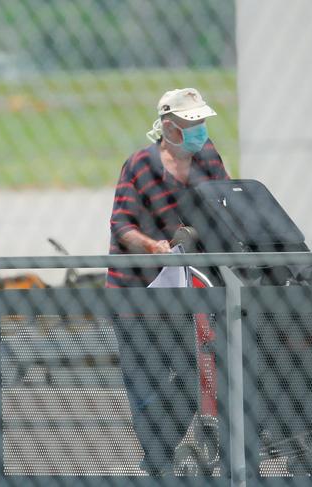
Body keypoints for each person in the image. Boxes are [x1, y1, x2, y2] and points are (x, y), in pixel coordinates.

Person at [106, 88, 230, 475]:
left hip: (189, 288)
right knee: (145, 380)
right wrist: (153, 247)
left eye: (201, 123)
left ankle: (159, 451)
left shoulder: (208, 158)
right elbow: (121, 225)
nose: (199, 131)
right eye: (191, 124)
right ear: (169, 128)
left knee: (197, 368)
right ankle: (157, 459)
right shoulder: (140, 166)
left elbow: (228, 201)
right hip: (138, 289)